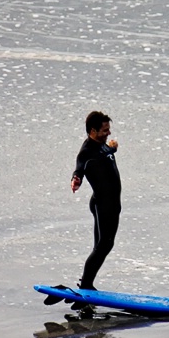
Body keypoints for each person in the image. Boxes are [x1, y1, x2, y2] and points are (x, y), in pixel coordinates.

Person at [71, 111, 121, 290]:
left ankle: (86, 283)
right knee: (104, 245)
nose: (108, 133)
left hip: (112, 204)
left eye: (109, 129)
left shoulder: (102, 146)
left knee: (102, 245)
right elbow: (79, 168)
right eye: (105, 130)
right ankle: (86, 285)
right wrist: (76, 179)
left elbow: (106, 152)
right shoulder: (87, 151)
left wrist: (112, 148)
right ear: (93, 131)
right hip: (103, 204)